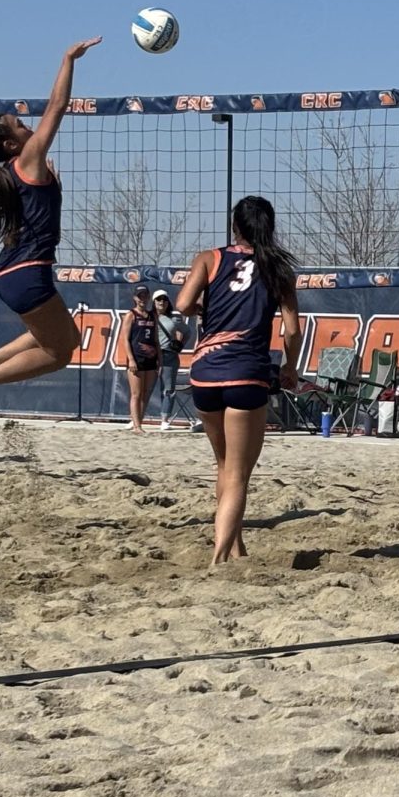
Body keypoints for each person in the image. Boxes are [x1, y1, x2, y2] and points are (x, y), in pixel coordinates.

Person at [0, 37, 102, 407]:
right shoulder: (27, 160)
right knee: (59, 353)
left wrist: (55, 192)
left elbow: (39, 210)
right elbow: (58, 105)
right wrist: (69, 59)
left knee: (67, 337)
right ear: (11, 145)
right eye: (20, 125)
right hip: (27, 273)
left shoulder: (10, 174)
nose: (28, 127)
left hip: (13, 273)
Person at [175, 196, 301, 565]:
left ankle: (235, 545)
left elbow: (182, 304)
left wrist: (206, 307)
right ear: (270, 227)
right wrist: (290, 367)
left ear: (235, 226)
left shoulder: (209, 258)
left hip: (205, 373)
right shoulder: (277, 268)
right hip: (247, 373)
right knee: (239, 473)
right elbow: (292, 331)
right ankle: (219, 556)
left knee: (224, 466)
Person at [123, 285, 159, 434]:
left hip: (151, 359)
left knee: (146, 393)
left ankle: (139, 422)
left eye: (145, 295)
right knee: (136, 394)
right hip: (136, 359)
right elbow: (125, 339)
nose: (143, 298)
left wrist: (159, 360)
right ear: (135, 298)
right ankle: (136, 426)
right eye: (140, 296)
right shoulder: (131, 315)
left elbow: (156, 340)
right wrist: (131, 359)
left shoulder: (152, 316)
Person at [153, 289, 191, 431]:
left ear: (168, 302)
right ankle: (136, 418)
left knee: (168, 389)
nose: (161, 302)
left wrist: (180, 345)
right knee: (144, 389)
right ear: (154, 302)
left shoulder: (173, 319)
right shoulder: (148, 317)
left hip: (168, 355)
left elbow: (187, 332)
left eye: (164, 299)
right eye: (158, 299)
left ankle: (164, 420)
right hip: (151, 356)